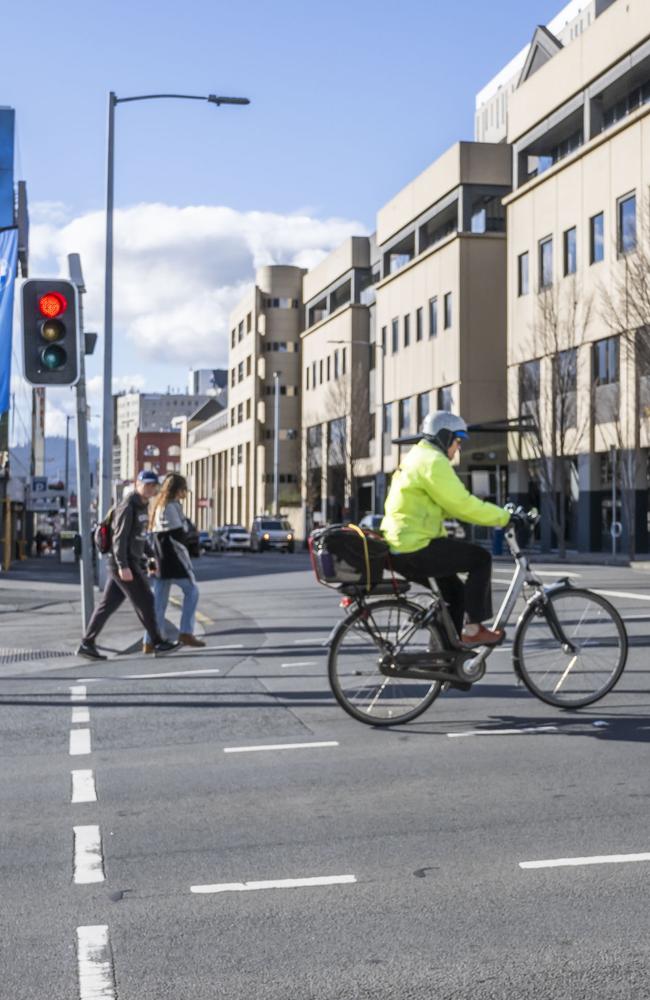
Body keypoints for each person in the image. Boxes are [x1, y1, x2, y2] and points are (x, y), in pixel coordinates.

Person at [381, 410, 511, 647]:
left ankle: (443, 659)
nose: (458, 448)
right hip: (415, 545)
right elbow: (461, 503)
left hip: (401, 545)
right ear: (444, 436)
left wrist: (475, 513)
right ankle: (473, 630)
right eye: (457, 441)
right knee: (480, 559)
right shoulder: (432, 460)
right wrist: (504, 517)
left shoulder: (417, 456)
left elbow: (444, 504)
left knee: (454, 594)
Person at [76, 471, 178, 660]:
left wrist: (151, 556)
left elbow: (139, 537)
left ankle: (86, 643)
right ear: (137, 484)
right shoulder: (128, 506)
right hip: (124, 564)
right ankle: (157, 642)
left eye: (153, 485)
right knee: (146, 602)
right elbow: (119, 539)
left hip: (130, 562)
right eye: (146, 485)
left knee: (107, 606)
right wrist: (123, 566)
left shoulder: (143, 505)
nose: (150, 489)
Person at [143, 473, 206, 653]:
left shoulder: (159, 504)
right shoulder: (170, 506)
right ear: (177, 489)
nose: (185, 492)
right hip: (172, 558)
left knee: (159, 602)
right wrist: (187, 531)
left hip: (161, 558)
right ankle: (185, 632)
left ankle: (149, 641)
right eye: (183, 489)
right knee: (192, 591)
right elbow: (178, 534)